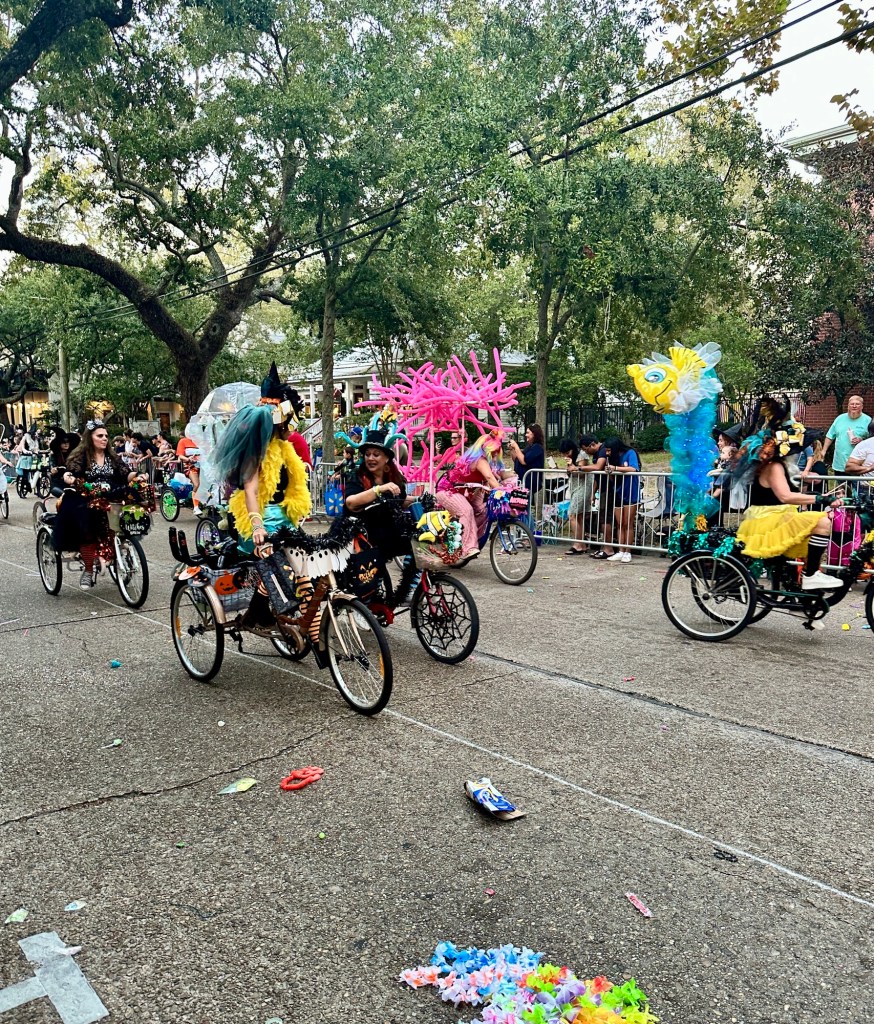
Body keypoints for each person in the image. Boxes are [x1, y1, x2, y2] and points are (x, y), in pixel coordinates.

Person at [210, 364, 311, 628]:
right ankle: (260, 611)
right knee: (274, 563)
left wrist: (299, 511)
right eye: (291, 419)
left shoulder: (285, 448)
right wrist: (256, 524)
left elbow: (294, 486)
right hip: (254, 518)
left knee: (304, 568)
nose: (294, 425)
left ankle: (262, 611)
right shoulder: (256, 451)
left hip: (283, 519)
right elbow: (251, 490)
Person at [731, 398, 843, 590]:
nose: (798, 452)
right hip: (769, 521)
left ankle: (808, 600)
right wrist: (821, 498)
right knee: (822, 522)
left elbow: (787, 488)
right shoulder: (774, 466)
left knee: (809, 537)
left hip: (779, 516)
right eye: (797, 448)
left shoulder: (779, 465)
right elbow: (785, 496)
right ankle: (811, 575)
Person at [55, 420, 145, 589]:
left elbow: (125, 473)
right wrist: (70, 477)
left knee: (129, 514)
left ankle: (118, 550)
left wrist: (138, 475)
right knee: (85, 523)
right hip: (87, 496)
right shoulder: (80, 457)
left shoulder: (112, 457)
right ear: (90, 438)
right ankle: (88, 570)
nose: (104, 439)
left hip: (111, 493)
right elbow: (70, 472)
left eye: (106, 436)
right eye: (100, 436)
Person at [343, 427, 417, 608]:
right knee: (369, 561)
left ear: (387, 459)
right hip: (362, 533)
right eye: (367, 454)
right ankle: (363, 602)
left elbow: (399, 501)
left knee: (419, 542)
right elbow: (351, 503)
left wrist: (421, 499)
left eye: (376, 454)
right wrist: (378, 490)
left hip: (387, 529)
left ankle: (410, 588)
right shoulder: (358, 476)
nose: (370, 458)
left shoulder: (394, 477)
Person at [436, 430, 508, 562]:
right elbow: (489, 477)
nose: (496, 453)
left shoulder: (487, 461)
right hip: (447, 490)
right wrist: (503, 491)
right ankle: (467, 548)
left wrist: (511, 482)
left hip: (465, 491)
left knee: (484, 510)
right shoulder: (480, 460)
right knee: (466, 511)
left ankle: (470, 535)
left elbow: (498, 476)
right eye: (494, 449)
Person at [601, 436, 641, 563]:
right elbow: (613, 477)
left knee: (627, 523)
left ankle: (628, 551)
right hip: (618, 491)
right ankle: (620, 550)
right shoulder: (612, 458)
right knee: (619, 524)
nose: (607, 453)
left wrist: (616, 468)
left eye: (609, 450)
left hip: (630, 491)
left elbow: (633, 468)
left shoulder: (630, 453)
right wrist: (610, 472)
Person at [559, 437, 593, 554]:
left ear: (572, 449)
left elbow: (582, 473)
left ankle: (577, 543)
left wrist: (572, 465)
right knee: (579, 516)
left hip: (583, 487)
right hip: (575, 487)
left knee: (572, 514)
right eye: (564, 453)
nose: (566, 455)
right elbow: (572, 472)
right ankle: (582, 544)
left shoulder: (582, 455)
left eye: (568, 452)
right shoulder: (572, 458)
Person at [821, 395, 871, 473]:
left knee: (856, 485)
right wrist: (823, 451)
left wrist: (861, 440)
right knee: (840, 485)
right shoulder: (839, 419)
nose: (854, 406)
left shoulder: (868, 420)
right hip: (839, 463)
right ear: (848, 406)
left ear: (862, 406)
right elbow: (830, 436)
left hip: (858, 465)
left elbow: (871, 440)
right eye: (852, 404)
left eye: (857, 404)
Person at [175, 432, 203, 513]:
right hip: (190, 466)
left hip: (202, 466)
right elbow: (180, 455)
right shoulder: (183, 441)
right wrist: (188, 459)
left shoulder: (200, 441)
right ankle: (196, 507)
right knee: (197, 484)